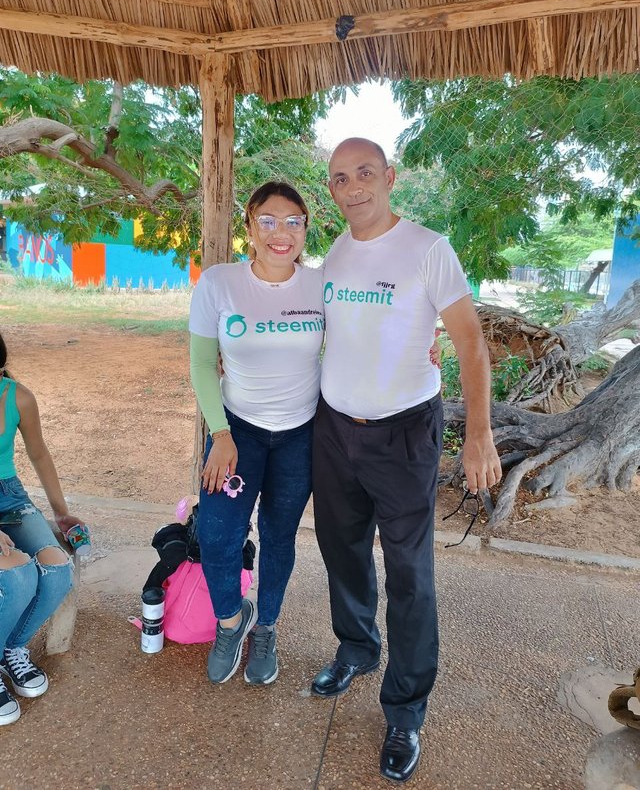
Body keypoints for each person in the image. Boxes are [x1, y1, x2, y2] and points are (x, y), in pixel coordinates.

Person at [310, 138, 502, 783]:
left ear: (389, 178)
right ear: (331, 189)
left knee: (410, 573)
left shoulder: (428, 248)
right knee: (341, 548)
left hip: (404, 436)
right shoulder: (334, 253)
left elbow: (470, 340)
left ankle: (406, 707)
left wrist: (479, 435)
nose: (353, 186)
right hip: (334, 430)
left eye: (365, 173)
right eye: (340, 178)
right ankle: (358, 649)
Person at [189, 181, 324, 686]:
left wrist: (416, 351)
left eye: (293, 221)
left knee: (278, 536)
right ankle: (231, 622)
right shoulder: (219, 283)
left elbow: (368, 328)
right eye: (267, 220)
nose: (280, 233)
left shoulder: (320, 286)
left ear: (306, 230)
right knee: (219, 534)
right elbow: (203, 364)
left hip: (300, 435)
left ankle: (266, 627)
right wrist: (220, 435)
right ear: (249, 227)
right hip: (236, 432)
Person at [0, 331, 80, 726]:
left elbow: (38, 454)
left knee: (56, 568)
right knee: (16, 573)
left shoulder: (17, 396)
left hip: (9, 496)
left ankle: (13, 649)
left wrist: (61, 513)